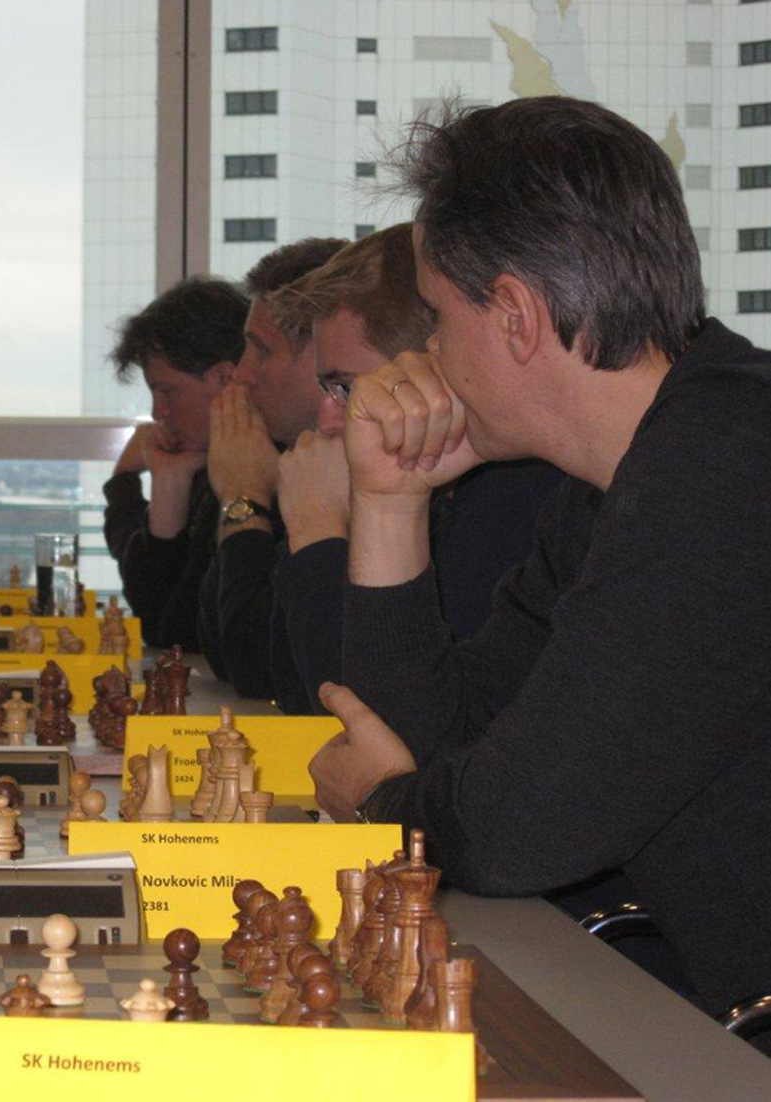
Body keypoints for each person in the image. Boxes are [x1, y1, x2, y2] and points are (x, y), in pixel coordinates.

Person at [307, 97, 771, 1018]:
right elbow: (435, 742)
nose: (427, 353)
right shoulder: (615, 484)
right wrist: (391, 501)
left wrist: (381, 806)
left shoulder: (727, 460)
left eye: (437, 316)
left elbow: (520, 828)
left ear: (515, 316)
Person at [267, 226, 562, 712]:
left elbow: (367, 719)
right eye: (326, 389)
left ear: (429, 364)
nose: (326, 419)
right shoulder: (442, 490)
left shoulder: (518, 499)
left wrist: (317, 535)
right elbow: (287, 687)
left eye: (345, 388)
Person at [195, 238, 346, 699]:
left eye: (260, 350)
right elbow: (217, 647)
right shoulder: (281, 456)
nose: (242, 374)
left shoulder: (356, 476)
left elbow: (257, 666)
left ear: (322, 356)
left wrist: (245, 501)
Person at [102, 277, 246, 651]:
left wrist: (125, 480)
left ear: (226, 378)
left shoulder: (250, 473)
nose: (157, 412)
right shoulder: (201, 464)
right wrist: (170, 481)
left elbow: (177, 633)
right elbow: (153, 616)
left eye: (167, 391)